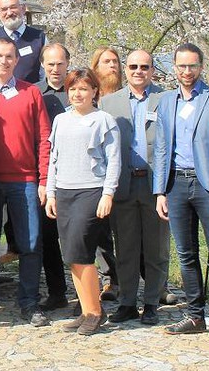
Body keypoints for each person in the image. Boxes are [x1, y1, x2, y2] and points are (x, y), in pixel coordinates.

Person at [0, 37, 51, 327]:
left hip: (25, 179)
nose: (4, 61)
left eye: (9, 57)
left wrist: (43, 178)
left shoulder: (31, 93)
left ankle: (29, 303)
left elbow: (44, 138)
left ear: (17, 60)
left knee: (30, 243)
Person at [153, 43, 209, 345]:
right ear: (174, 67)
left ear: (201, 67)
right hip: (176, 185)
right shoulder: (167, 101)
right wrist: (159, 191)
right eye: (182, 66)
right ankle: (195, 316)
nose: (187, 71)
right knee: (185, 254)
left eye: (192, 66)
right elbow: (161, 148)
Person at [45, 68, 121, 336]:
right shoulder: (61, 120)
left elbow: (114, 160)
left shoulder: (104, 120)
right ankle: (86, 309)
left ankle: (96, 312)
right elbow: (53, 158)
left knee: (82, 252)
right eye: (73, 89)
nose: (78, 94)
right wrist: (51, 193)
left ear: (94, 92)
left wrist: (108, 194)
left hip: (91, 191)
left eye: (84, 89)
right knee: (71, 256)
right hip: (64, 192)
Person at [100, 49, 169, 326]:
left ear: (152, 70)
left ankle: (151, 302)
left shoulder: (166, 99)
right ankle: (127, 302)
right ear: (125, 70)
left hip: (155, 185)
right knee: (125, 247)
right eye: (133, 66)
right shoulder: (109, 103)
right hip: (124, 184)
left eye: (144, 66)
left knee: (156, 248)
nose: (138, 71)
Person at [34, 43, 70, 311]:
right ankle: (57, 291)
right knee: (47, 237)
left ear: (67, 63)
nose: (55, 69)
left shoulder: (79, 89)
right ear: (42, 65)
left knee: (79, 239)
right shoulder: (34, 93)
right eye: (50, 64)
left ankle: (92, 292)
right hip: (47, 173)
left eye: (60, 63)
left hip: (78, 175)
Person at [87, 45, 122, 304]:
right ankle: (110, 278)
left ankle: (148, 280)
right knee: (101, 233)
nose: (112, 66)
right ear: (95, 67)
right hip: (95, 177)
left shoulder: (125, 97)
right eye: (106, 62)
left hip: (126, 174)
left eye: (115, 61)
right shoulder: (90, 99)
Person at [0, 0, 46, 84]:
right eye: (4, 9)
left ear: (23, 8)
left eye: (13, 7)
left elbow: (45, 75)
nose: (9, 13)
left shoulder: (40, 38)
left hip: (31, 91)